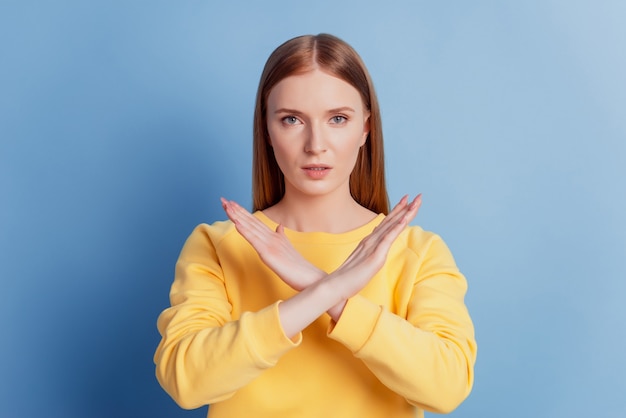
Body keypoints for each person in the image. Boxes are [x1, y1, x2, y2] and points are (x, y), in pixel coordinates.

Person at [154, 33, 477, 418]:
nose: (315, 144)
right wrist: (326, 290)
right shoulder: (217, 245)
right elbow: (186, 381)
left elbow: (447, 388)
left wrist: (323, 289)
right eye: (291, 119)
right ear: (268, 131)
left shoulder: (417, 252)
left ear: (365, 129)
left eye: (338, 119)